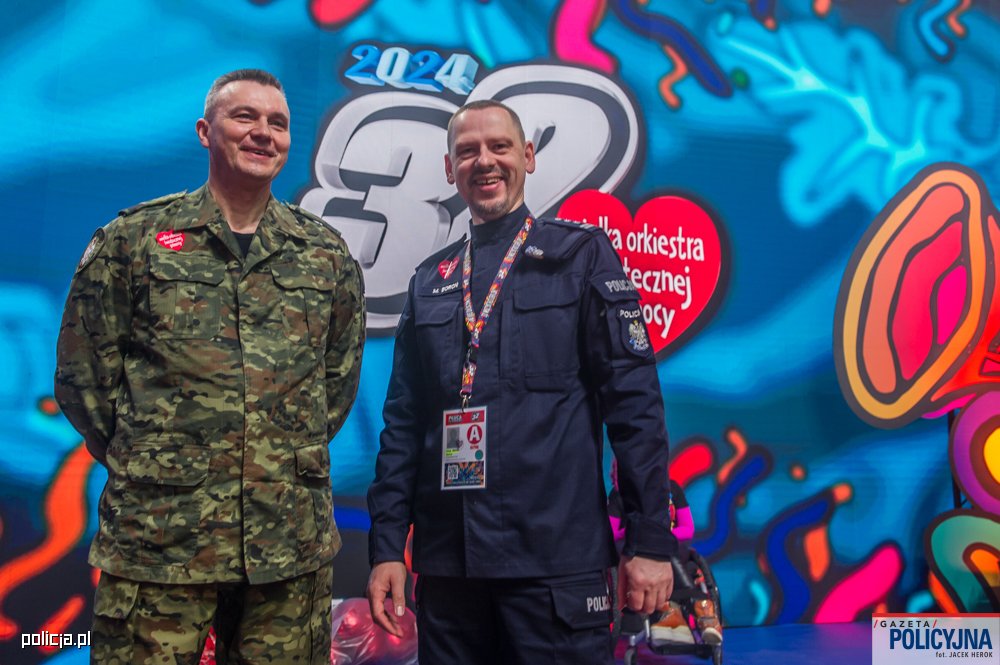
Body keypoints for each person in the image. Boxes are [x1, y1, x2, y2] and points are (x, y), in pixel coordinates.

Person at [55, 68, 365, 664]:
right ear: (205, 131)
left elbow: (336, 382)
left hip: (286, 541)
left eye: (278, 123)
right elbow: (82, 377)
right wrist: (155, 462)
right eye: (245, 117)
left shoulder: (324, 254)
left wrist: (268, 453)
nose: (263, 133)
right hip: (162, 537)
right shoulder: (135, 240)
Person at [365, 99, 677, 664]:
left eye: (500, 146)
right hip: (450, 574)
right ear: (449, 168)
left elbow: (636, 410)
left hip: (555, 570)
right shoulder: (429, 281)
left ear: (528, 157)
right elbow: (403, 427)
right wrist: (387, 545)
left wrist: (650, 541)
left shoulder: (580, 257)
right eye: (467, 151)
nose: (484, 161)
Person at [608, 467, 722, 646]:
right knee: (655, 550)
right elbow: (611, 533)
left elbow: (688, 529)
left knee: (665, 549)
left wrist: (660, 536)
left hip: (672, 549)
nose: (617, 476)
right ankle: (687, 607)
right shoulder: (617, 496)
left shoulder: (672, 490)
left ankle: (697, 612)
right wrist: (633, 532)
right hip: (636, 553)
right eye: (615, 472)